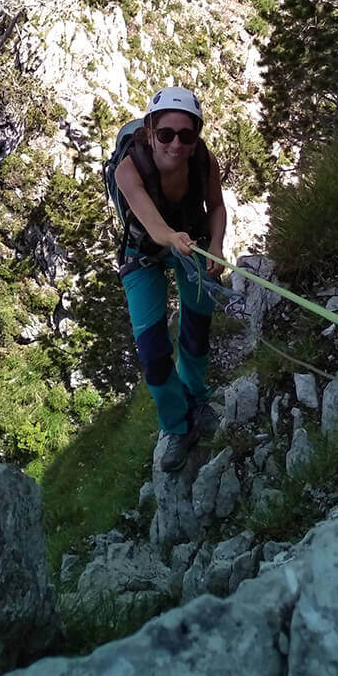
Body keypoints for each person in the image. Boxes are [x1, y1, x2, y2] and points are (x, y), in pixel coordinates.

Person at [114, 86, 227, 472]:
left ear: (196, 138)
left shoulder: (203, 161)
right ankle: (177, 426)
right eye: (166, 134)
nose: (176, 143)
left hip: (191, 241)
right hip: (146, 249)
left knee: (196, 328)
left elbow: (216, 206)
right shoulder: (128, 169)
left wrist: (217, 244)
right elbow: (151, 222)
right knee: (153, 353)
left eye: (186, 135)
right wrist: (173, 239)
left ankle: (197, 399)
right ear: (149, 131)